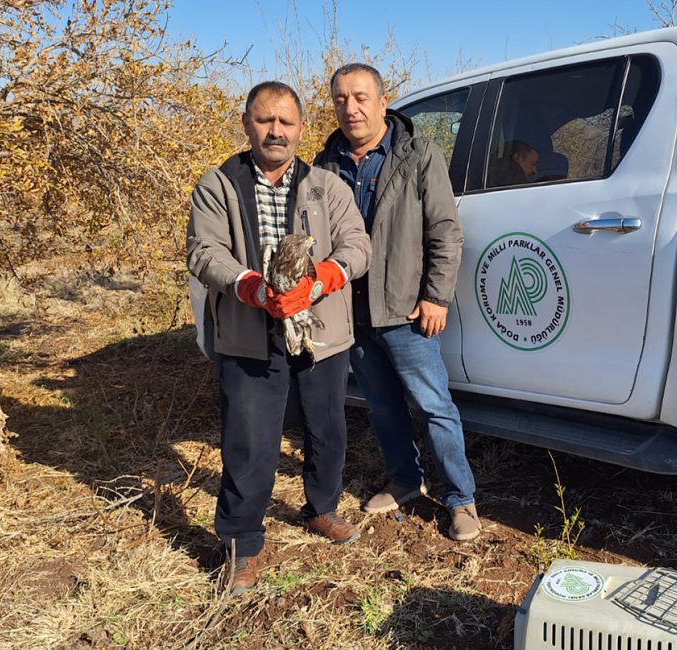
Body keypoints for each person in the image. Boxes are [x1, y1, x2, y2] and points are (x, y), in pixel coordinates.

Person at [187, 81, 371, 594]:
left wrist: (323, 279)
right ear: (246, 123)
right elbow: (204, 253)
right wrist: (251, 287)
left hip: (319, 333)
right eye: (265, 120)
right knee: (249, 441)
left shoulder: (328, 187)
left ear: (301, 129)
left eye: (286, 122)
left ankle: (321, 508)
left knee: (326, 429)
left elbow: (358, 245)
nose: (276, 131)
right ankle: (242, 544)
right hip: (249, 334)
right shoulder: (217, 186)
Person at [314, 63, 480, 542]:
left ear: (383, 102)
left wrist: (435, 296)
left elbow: (445, 231)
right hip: (353, 312)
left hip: (407, 311)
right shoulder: (326, 166)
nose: (351, 108)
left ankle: (460, 499)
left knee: (434, 407)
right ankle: (406, 481)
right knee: (383, 408)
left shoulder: (418, 155)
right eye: (341, 98)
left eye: (361, 97)